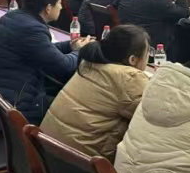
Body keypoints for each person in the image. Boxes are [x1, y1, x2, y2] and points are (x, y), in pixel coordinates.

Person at [0, 0, 94, 130]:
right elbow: (64, 67)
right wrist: (81, 50)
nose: (61, 7)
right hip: (4, 112)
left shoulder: (14, 17)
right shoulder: (32, 29)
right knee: (75, 110)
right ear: (48, 8)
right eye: (59, 3)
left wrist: (70, 46)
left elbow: (42, 50)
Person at [41, 24, 150, 162]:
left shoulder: (89, 63)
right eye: (147, 53)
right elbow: (152, 116)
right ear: (133, 60)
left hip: (47, 153)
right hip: (83, 165)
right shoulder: (129, 78)